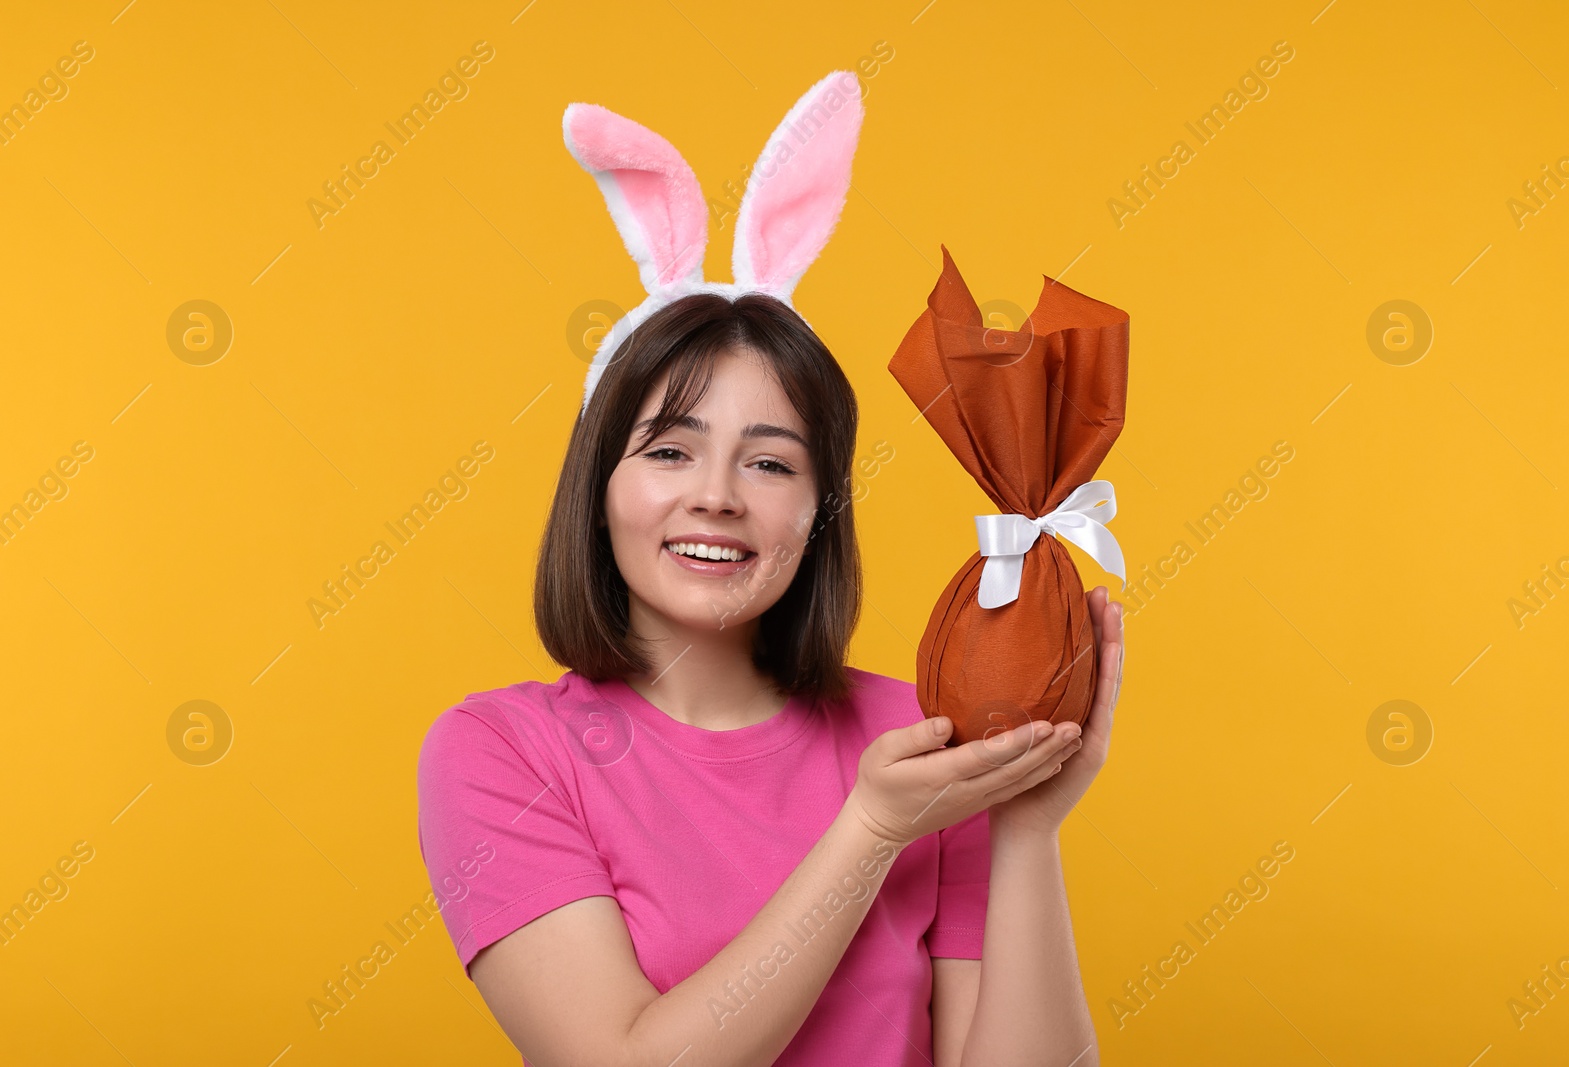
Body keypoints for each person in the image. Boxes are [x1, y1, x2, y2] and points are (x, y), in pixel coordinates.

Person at [415, 288, 1126, 1067]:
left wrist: (1026, 825)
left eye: (769, 463)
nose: (717, 497)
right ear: (598, 492)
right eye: (668, 451)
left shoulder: (925, 737)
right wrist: (874, 830)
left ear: (820, 513)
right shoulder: (501, 751)